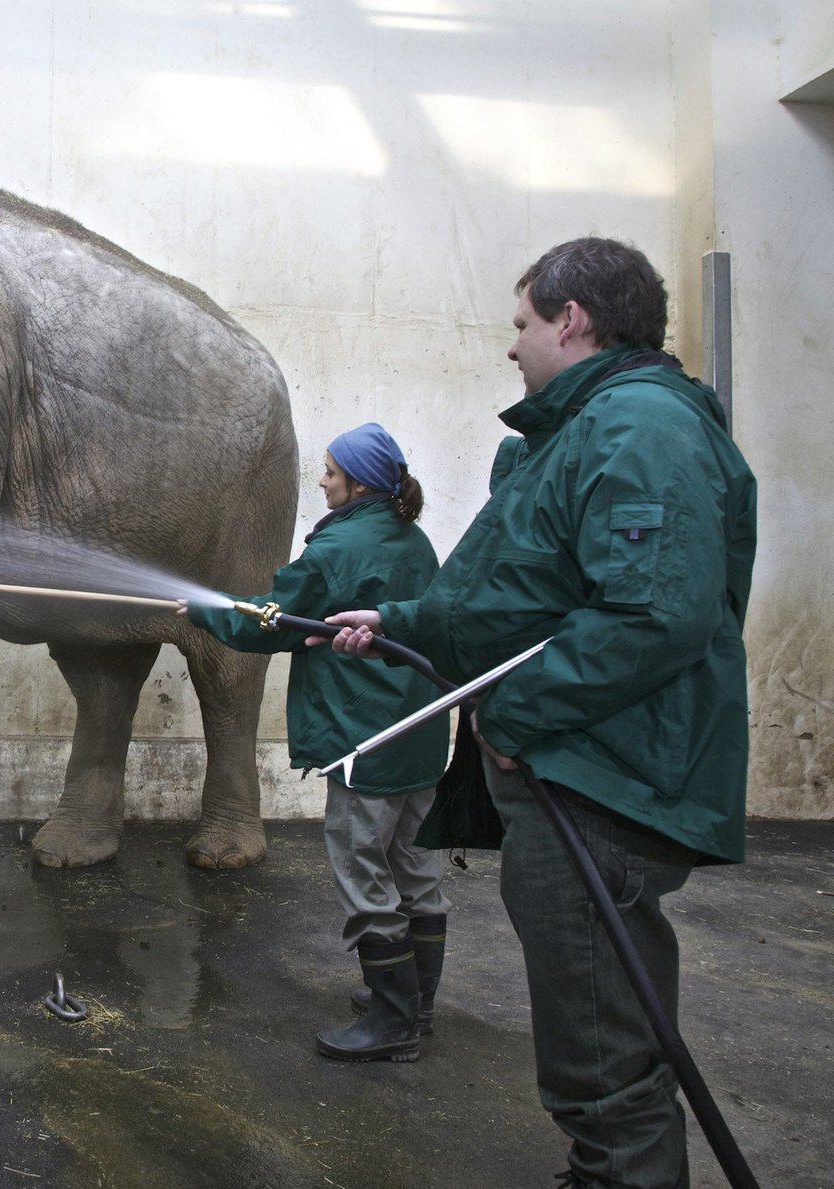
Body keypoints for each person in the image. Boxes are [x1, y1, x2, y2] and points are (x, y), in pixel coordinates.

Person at [324, 238, 757, 1188]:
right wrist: (402, 620)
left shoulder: (640, 427)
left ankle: (620, 1173)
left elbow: (654, 613)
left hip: (600, 777)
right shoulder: (590, 427)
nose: (511, 344)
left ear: (572, 319)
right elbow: (520, 590)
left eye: (522, 323)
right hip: (584, 766)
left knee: (601, 1035)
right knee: (594, 1018)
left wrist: (513, 715)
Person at [182, 422, 451, 1063]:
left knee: (364, 874)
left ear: (359, 482)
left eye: (331, 471)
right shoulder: (414, 539)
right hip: (418, 736)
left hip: (365, 738)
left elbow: (270, 622)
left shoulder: (336, 551)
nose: (322, 481)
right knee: (416, 870)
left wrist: (204, 607)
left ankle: (393, 1023)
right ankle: (417, 1003)